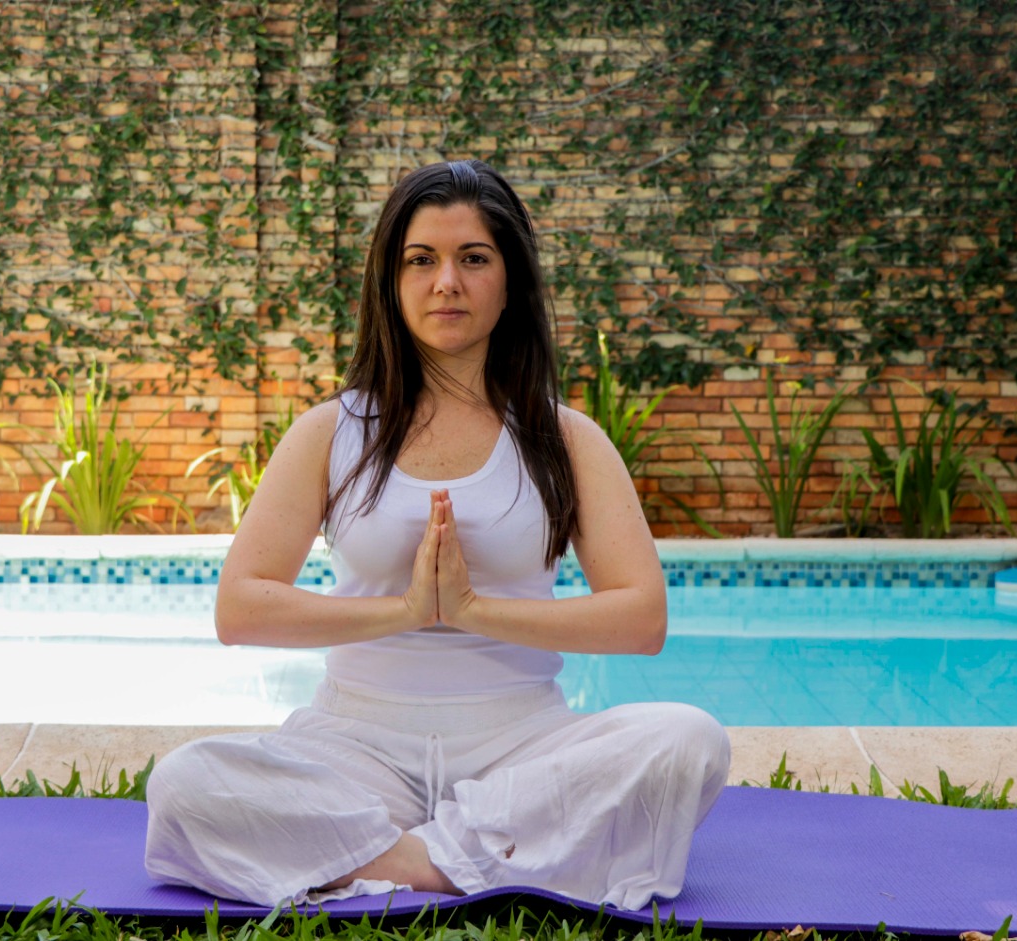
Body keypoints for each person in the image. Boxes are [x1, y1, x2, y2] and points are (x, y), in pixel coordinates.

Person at [144, 160, 730, 909]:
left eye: (473, 258)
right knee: (185, 784)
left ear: (508, 279)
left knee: (689, 741)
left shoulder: (564, 438)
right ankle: (477, 860)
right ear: (391, 280)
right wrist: (407, 610)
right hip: (353, 744)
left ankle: (385, 859)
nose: (445, 281)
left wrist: (473, 609)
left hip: (519, 741)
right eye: (421, 260)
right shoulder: (331, 433)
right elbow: (241, 608)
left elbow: (642, 617)